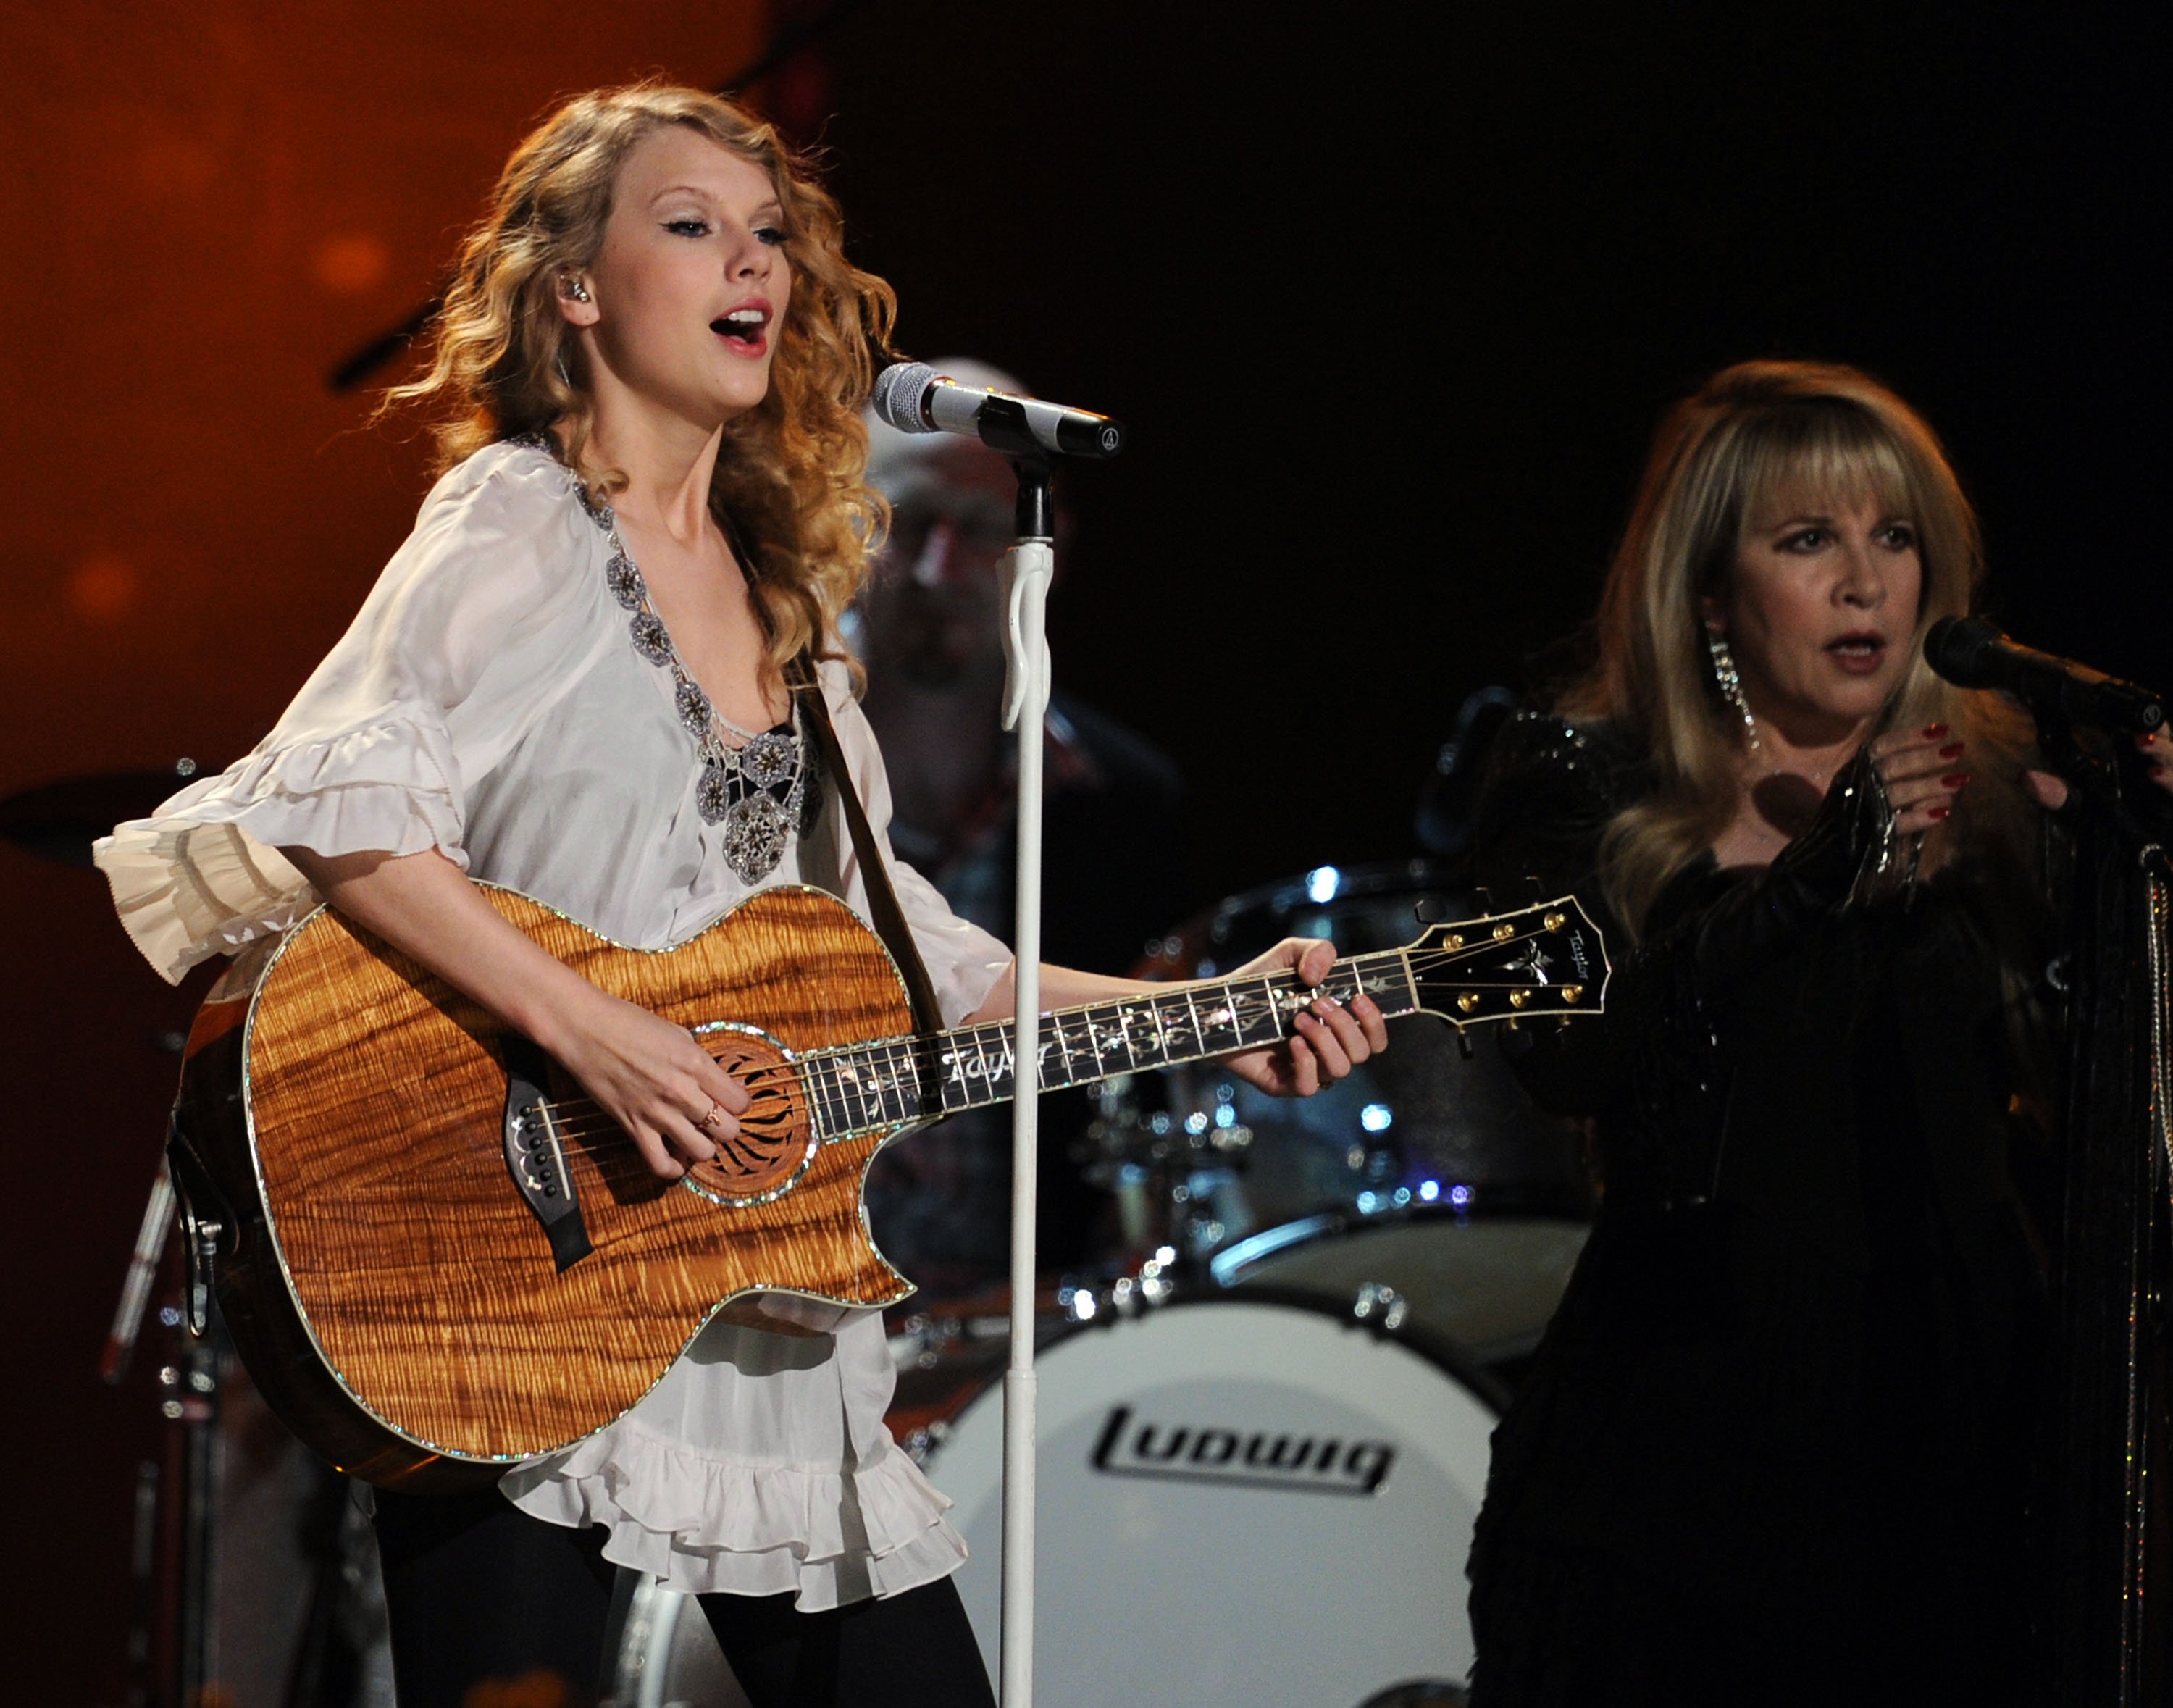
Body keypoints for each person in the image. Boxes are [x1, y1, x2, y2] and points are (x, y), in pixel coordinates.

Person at [93, 83, 1386, 1708]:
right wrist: (608, 1040)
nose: (750, 262)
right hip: (526, 1271)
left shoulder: (790, 610)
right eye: (691, 224)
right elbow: (343, 813)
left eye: (769, 233)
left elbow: (921, 959)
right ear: (574, 284)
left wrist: (1215, 1018)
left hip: (748, 1304)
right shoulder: (521, 520)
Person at [1460, 359, 2170, 1704]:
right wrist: (1808, 884)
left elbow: (2100, 1120)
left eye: (1894, 536)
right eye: (1810, 540)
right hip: (1679, 1484)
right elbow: (1575, 1058)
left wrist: (2140, 866)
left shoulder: (2008, 786)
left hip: (1961, 1470)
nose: (1867, 582)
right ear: (1715, 592)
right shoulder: (1584, 781)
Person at [851, 361, 1187, 1289]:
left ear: (1047, 550)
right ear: (841, 528)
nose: (939, 568)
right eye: (911, 524)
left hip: (1027, 1337)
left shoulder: (1123, 801)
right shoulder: (753, 752)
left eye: (983, 533)